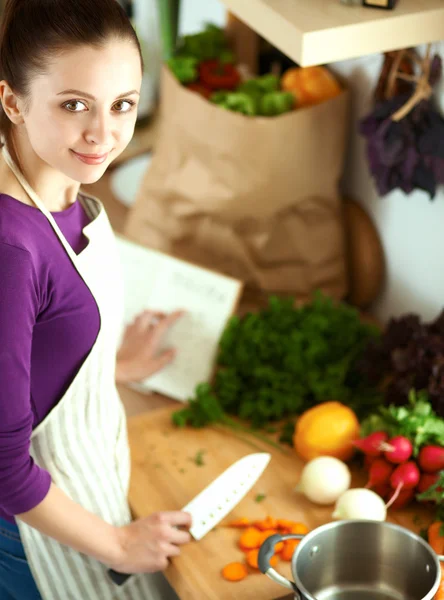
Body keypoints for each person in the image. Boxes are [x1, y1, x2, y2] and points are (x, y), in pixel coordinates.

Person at [0, 0, 193, 598]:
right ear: (11, 101)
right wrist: (119, 546)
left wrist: (106, 361)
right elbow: (3, 467)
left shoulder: (61, 184)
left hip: (91, 483)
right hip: (34, 538)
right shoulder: (12, 248)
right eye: (74, 104)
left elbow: (40, 337)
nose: (103, 133)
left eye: (123, 104)